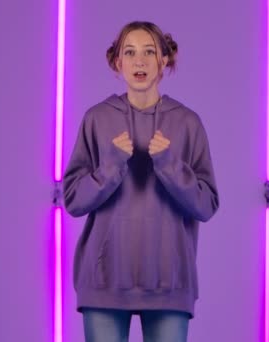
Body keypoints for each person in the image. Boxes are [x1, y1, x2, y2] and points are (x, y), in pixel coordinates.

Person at [62, 21, 220, 342]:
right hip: (104, 282)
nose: (140, 61)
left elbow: (206, 204)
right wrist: (111, 165)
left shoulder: (188, 123)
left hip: (170, 285)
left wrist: (169, 165)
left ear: (164, 60)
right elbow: (74, 200)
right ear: (118, 62)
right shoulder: (97, 118)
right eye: (130, 52)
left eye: (150, 52)